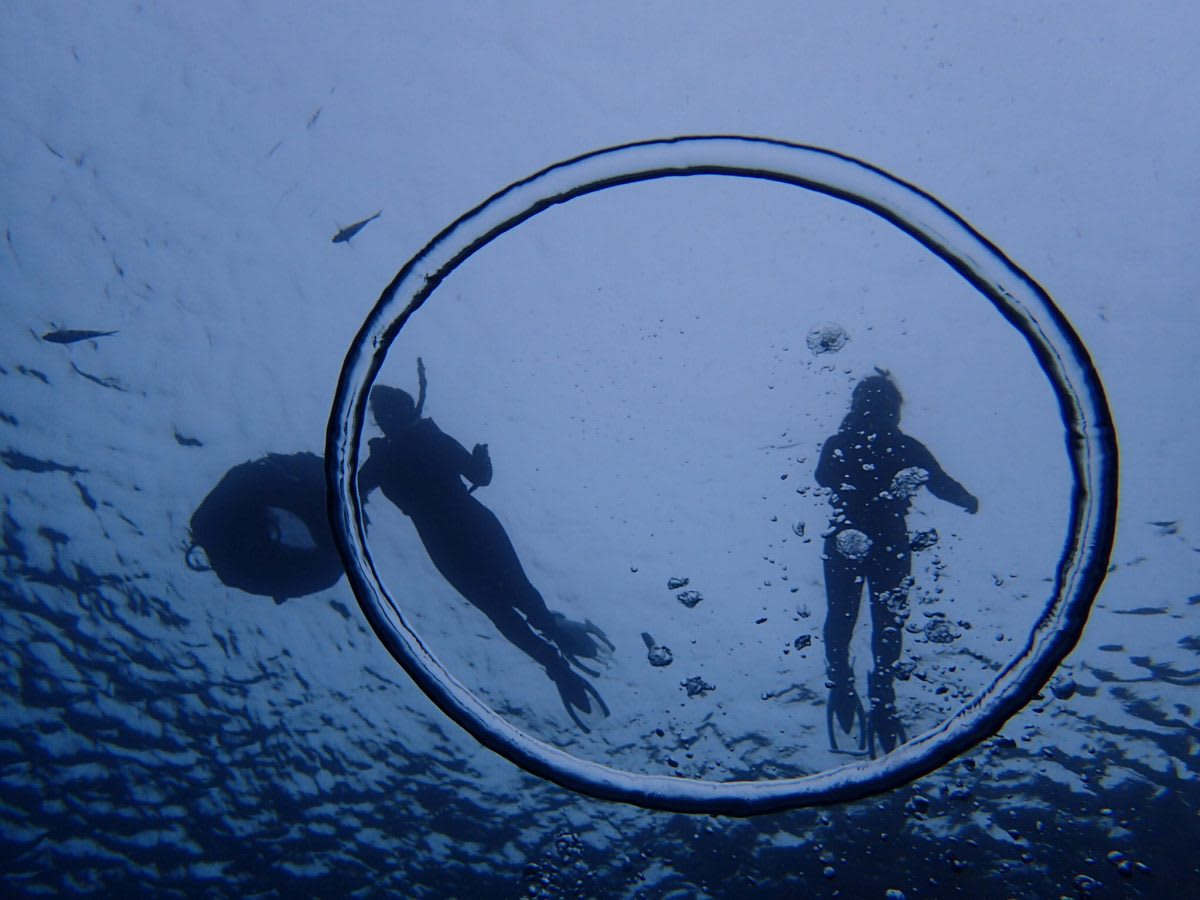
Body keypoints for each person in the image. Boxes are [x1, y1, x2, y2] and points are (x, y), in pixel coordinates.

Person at [357, 363, 612, 732]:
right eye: (386, 413)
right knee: (505, 606)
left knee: (512, 602)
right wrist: (480, 463)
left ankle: (558, 654)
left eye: (393, 410)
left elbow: (478, 477)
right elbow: (479, 477)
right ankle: (557, 661)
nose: (392, 417)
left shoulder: (405, 450)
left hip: (453, 535)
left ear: (406, 410)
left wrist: (480, 462)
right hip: (460, 532)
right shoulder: (399, 452)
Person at [815, 372, 978, 757]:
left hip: (845, 540)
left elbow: (822, 477)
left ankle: (841, 685)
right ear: (895, 408)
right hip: (891, 542)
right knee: (888, 621)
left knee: (840, 617)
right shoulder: (906, 446)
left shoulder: (840, 442)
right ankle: (883, 695)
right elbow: (938, 482)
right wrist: (967, 500)